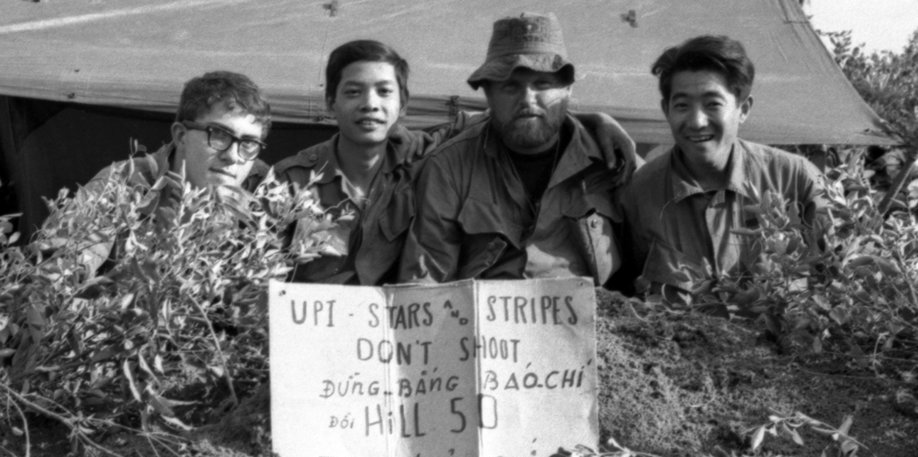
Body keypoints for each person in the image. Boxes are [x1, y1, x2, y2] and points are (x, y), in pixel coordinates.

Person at [274, 38, 636, 285]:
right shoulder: (291, 179)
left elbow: (517, 114)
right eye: (353, 92)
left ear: (404, 103)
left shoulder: (422, 153)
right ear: (329, 101)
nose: (370, 104)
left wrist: (592, 120)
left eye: (385, 91)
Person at [398, 12, 622, 285]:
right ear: (488, 95)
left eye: (543, 84)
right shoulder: (449, 168)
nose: (528, 99)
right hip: (482, 322)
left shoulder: (613, 159)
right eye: (510, 87)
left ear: (567, 91)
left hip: (592, 320)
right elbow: (426, 281)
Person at [613, 35, 826, 303]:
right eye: (682, 105)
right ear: (666, 110)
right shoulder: (639, 192)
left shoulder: (797, 179)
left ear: (743, 109)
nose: (697, 121)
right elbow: (627, 293)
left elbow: (844, 282)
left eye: (713, 104)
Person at [41, 70, 272, 276]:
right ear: (181, 135)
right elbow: (56, 278)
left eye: (249, 143)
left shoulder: (263, 202)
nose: (233, 156)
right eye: (219, 134)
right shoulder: (122, 186)